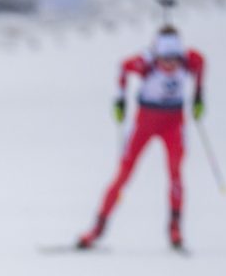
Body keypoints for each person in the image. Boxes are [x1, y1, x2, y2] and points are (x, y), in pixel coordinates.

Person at [78, 25, 205, 251]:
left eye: (174, 59)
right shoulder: (145, 63)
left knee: (175, 172)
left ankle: (175, 228)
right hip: (144, 122)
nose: (170, 65)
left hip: (174, 123)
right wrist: (120, 99)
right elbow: (123, 68)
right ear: (157, 55)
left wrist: (198, 97)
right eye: (165, 59)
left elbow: (200, 66)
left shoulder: (190, 61)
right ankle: (97, 228)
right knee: (123, 173)